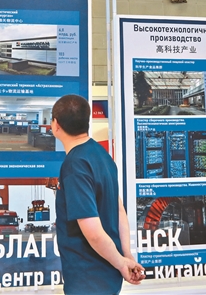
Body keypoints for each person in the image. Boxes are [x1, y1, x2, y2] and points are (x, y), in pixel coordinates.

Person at [52, 94, 145, 294]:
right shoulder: (102, 155)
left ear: (56, 125)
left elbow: (93, 233)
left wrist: (122, 263)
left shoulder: (75, 165)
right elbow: (119, 210)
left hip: (88, 279)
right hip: (108, 276)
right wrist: (126, 256)